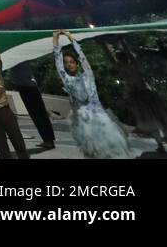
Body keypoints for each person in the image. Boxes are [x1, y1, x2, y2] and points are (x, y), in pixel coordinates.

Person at [52, 30, 131, 159]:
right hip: (85, 125)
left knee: (112, 152)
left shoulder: (88, 74)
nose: (68, 64)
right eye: (66, 62)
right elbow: (58, 63)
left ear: (77, 64)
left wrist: (71, 38)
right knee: (94, 154)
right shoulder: (67, 80)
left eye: (71, 61)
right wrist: (55, 39)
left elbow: (82, 57)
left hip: (102, 121)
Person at [8, 58, 56, 151]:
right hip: (23, 87)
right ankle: (47, 140)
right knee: (35, 115)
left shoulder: (20, 56)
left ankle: (49, 140)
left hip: (30, 87)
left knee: (39, 114)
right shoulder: (12, 58)